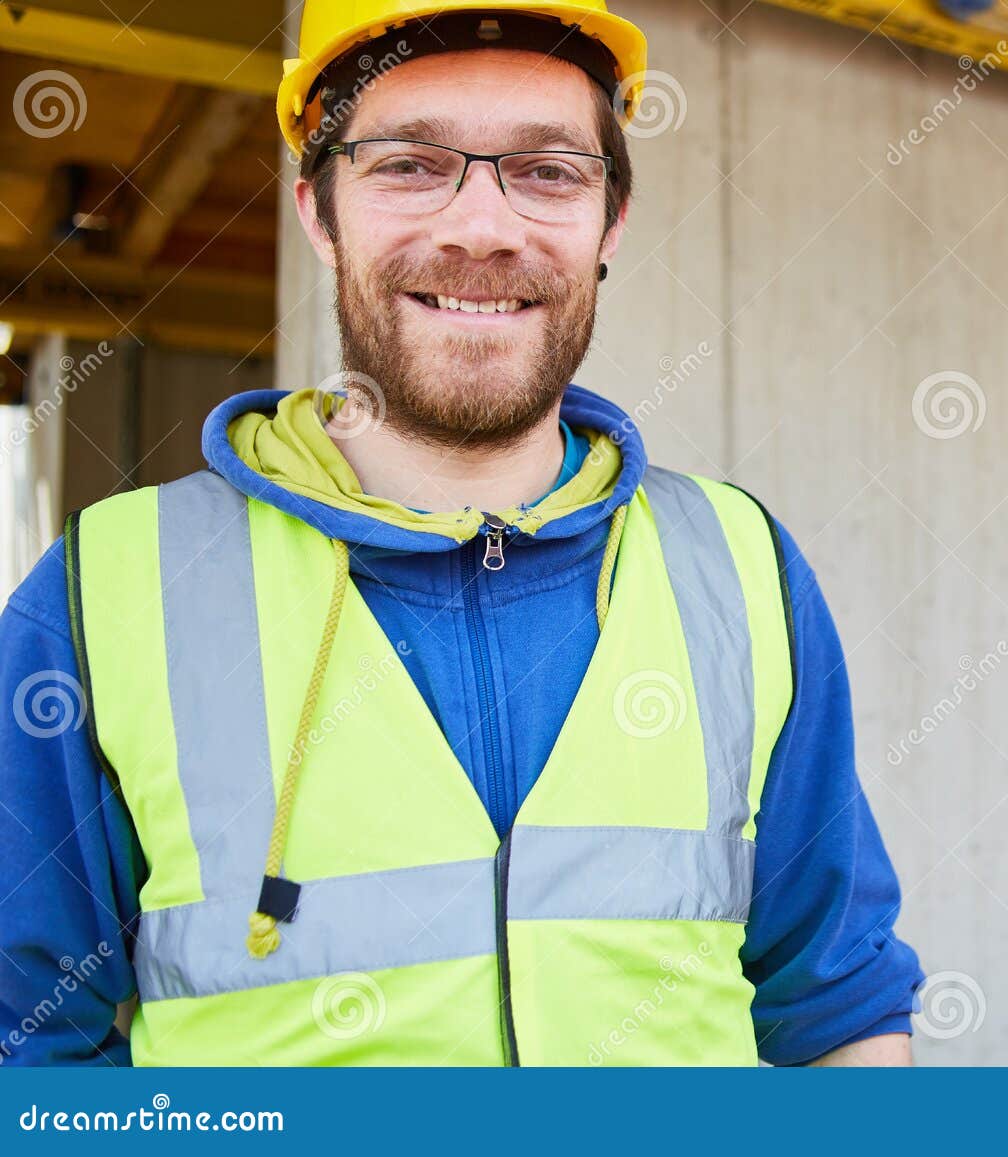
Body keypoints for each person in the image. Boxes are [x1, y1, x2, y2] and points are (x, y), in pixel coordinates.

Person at [0, 0, 922, 1066]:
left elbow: (840, 1008)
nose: (482, 227)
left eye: (548, 171)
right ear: (318, 210)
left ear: (609, 222)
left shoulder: (740, 565)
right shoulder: (109, 592)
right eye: (409, 164)